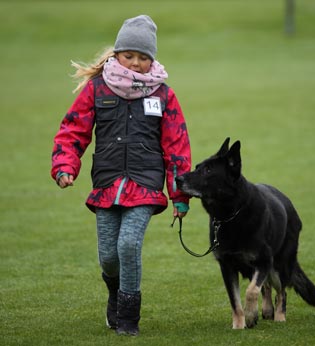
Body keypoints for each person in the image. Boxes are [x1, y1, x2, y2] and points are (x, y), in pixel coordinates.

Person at [51, 15, 191, 336]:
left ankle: (128, 319)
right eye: (130, 55)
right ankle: (114, 294)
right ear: (116, 55)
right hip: (106, 185)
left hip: (145, 185)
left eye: (144, 57)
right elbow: (72, 130)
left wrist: (180, 195)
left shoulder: (163, 95)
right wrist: (64, 166)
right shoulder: (96, 89)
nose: (136, 63)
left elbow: (177, 146)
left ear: (152, 59)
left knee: (128, 245)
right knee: (108, 257)